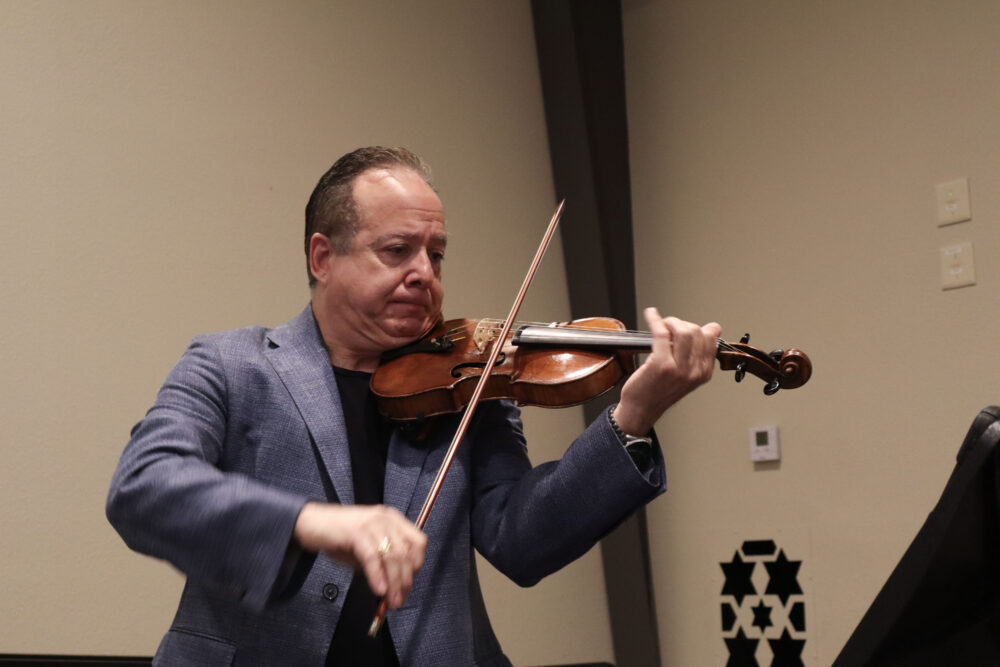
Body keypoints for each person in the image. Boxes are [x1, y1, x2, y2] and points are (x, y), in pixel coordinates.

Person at [106, 146, 722, 666]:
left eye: (436, 254)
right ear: (324, 257)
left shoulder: (468, 387)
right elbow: (144, 486)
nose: (425, 273)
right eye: (397, 250)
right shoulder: (233, 366)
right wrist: (314, 523)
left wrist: (631, 419)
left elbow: (523, 540)